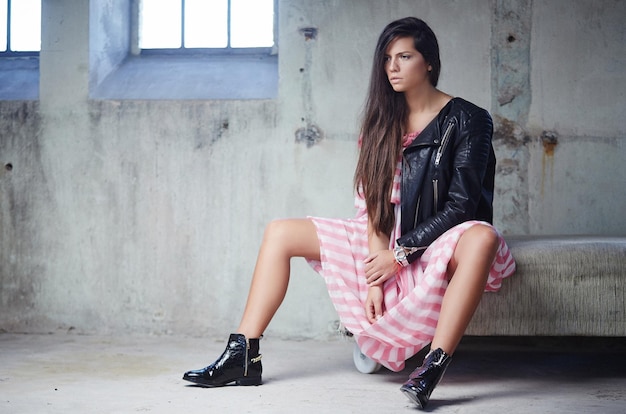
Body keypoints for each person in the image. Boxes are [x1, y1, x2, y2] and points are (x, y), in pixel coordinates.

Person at [182, 16, 516, 409]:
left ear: (428, 62)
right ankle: (244, 354)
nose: (392, 67)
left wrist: (402, 253)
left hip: (443, 236)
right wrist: (376, 275)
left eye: (404, 56)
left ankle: (430, 368)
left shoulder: (468, 118)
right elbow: (375, 205)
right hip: (388, 237)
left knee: (483, 236)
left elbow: (461, 206)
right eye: (387, 58)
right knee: (280, 232)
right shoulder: (381, 123)